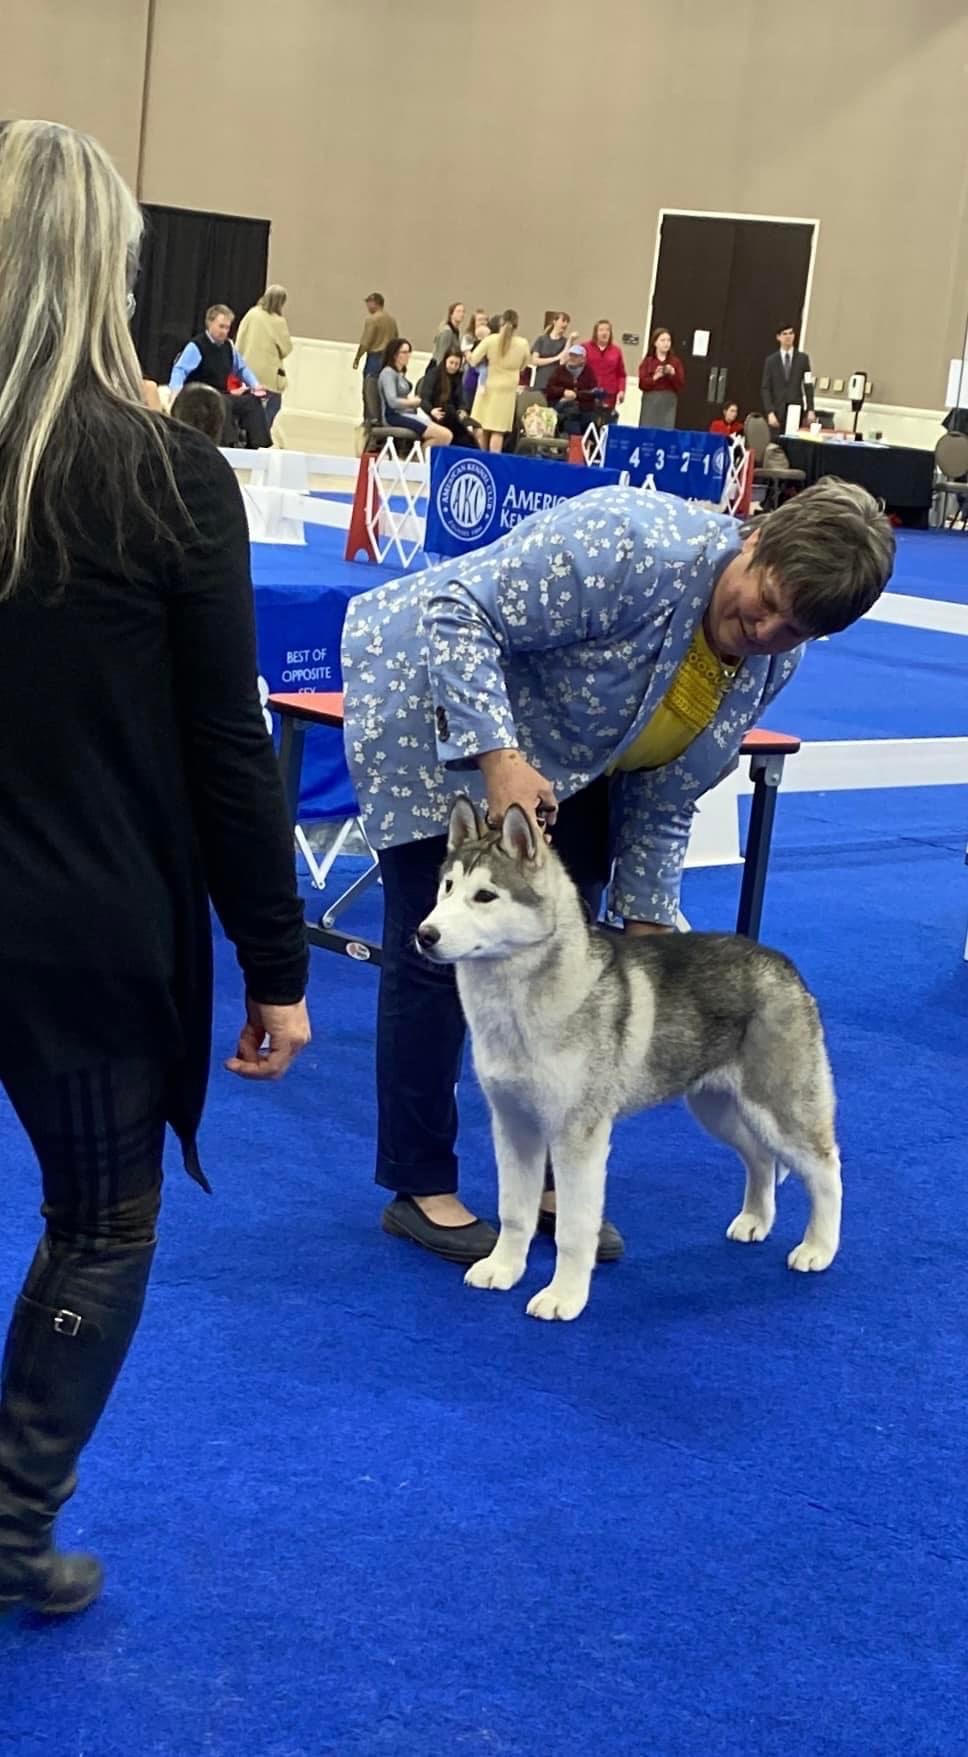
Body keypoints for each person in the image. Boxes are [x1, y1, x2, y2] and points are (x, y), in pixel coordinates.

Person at [0, 118, 311, 1618]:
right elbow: (228, 753)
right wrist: (277, 963)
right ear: (110, 273)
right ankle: (7, 1528)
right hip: (83, 930)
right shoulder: (172, 480)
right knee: (104, 1221)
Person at [340, 478, 894, 1264]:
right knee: (439, 957)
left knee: (579, 940)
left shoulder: (770, 660)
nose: (766, 628)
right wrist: (496, 757)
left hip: (579, 752)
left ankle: (554, 1170)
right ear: (755, 539)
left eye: (793, 627)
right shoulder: (630, 541)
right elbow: (460, 608)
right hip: (437, 700)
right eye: (765, 599)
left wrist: (649, 921)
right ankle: (421, 1183)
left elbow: (670, 792)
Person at [168, 304, 271, 448]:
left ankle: (259, 446)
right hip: (201, 396)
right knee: (223, 403)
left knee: (252, 402)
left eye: (227, 328)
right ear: (210, 323)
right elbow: (180, 370)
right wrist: (175, 391)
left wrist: (255, 385)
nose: (225, 331)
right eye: (221, 326)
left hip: (222, 394)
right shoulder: (197, 346)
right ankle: (228, 445)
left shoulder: (228, 347)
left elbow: (241, 369)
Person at [468, 308, 532, 452]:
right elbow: (524, 365)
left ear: (500, 322)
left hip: (488, 387)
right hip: (507, 391)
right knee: (498, 431)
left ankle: (482, 460)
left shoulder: (490, 340)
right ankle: (494, 464)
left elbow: (473, 360)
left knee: (483, 427)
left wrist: (466, 353)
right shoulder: (522, 344)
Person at [236, 285, 293, 432]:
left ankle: (245, 433)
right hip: (269, 375)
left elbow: (240, 339)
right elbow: (286, 349)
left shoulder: (252, 314)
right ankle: (261, 434)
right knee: (274, 405)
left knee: (250, 405)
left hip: (248, 371)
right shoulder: (278, 322)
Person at [378, 338, 452, 448]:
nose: (408, 355)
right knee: (444, 435)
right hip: (394, 416)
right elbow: (392, 402)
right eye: (404, 352)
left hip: (407, 413)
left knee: (446, 434)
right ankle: (420, 461)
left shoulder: (399, 373)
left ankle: (422, 458)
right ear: (394, 354)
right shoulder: (388, 373)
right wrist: (411, 402)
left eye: (409, 352)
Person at [352, 292, 399, 429]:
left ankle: (370, 420)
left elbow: (366, 342)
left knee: (369, 389)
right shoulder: (391, 320)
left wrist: (357, 358)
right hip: (388, 358)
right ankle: (381, 419)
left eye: (368, 302)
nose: (367, 306)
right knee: (384, 391)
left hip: (375, 357)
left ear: (374, 303)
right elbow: (396, 338)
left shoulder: (372, 320)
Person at [418, 350, 481, 447]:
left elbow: (461, 400)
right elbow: (424, 398)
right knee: (463, 435)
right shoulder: (433, 374)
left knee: (477, 428)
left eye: (457, 364)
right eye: (451, 363)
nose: (453, 366)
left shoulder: (458, 377)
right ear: (445, 361)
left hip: (454, 414)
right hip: (437, 412)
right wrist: (431, 410)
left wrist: (462, 410)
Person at [761, 325, 812, 432]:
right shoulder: (771, 361)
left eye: (791, 333)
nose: (788, 336)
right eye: (785, 334)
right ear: (778, 337)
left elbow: (808, 385)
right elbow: (765, 388)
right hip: (777, 409)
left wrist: (810, 409)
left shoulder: (803, 359)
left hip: (795, 408)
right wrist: (770, 411)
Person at [546, 342, 603, 436]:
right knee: (571, 415)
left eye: (575, 356)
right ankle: (575, 443)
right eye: (570, 355)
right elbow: (550, 389)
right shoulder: (559, 370)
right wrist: (563, 392)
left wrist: (576, 394)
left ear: (583, 359)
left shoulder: (589, 372)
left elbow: (593, 392)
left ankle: (582, 443)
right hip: (563, 406)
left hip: (584, 408)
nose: (572, 358)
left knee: (592, 418)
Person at [638, 327, 685, 428]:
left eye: (668, 340)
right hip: (651, 401)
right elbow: (642, 384)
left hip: (668, 401)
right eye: (662, 340)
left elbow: (680, 385)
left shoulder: (675, 362)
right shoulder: (648, 362)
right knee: (648, 429)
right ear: (655, 343)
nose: (666, 343)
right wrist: (655, 377)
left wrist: (672, 374)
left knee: (665, 430)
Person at [584, 319, 626, 417]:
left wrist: (621, 391)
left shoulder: (616, 351)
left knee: (605, 421)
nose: (604, 333)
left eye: (607, 330)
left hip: (609, 394)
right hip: (588, 392)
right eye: (601, 330)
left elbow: (621, 374)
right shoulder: (585, 347)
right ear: (595, 332)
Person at [529, 312, 575, 394]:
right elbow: (535, 361)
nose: (565, 324)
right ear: (555, 321)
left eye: (567, 322)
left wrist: (570, 340)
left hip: (557, 385)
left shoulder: (565, 342)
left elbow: (563, 361)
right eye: (563, 321)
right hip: (541, 383)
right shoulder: (541, 340)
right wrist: (555, 358)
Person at [461, 311, 492, 405]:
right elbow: (468, 356)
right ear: (473, 322)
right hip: (471, 372)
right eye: (479, 320)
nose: (482, 322)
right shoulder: (469, 337)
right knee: (468, 400)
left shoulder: (490, 338)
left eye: (485, 320)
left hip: (486, 372)